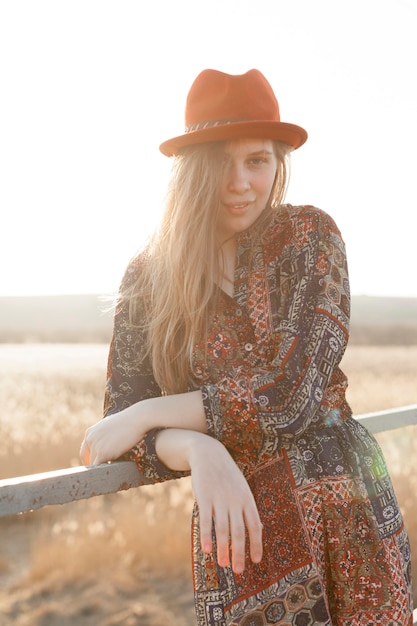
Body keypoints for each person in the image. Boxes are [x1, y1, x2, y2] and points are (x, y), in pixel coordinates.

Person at [80, 69, 413, 625]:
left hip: (350, 522)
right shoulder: (147, 278)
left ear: (278, 163)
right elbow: (119, 434)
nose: (239, 182)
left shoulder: (311, 239)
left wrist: (154, 412)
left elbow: (290, 397)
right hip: (242, 543)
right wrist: (198, 451)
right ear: (191, 171)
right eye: (220, 162)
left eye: (257, 160)